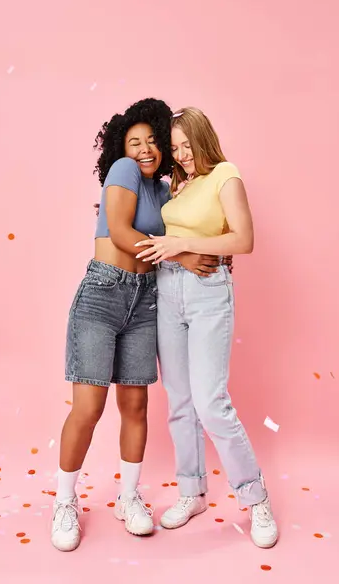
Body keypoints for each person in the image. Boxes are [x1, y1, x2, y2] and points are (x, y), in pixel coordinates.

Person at [51, 99, 223, 552]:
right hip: (104, 294)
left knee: (136, 406)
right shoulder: (124, 170)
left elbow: (180, 231)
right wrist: (185, 254)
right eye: (135, 141)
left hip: (146, 298)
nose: (145, 149)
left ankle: (129, 497)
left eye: (153, 141)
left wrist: (216, 256)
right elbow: (124, 233)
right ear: (121, 146)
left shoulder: (165, 192)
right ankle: (64, 502)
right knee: (88, 407)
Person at [135, 107, 279, 548]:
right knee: (179, 401)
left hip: (207, 291)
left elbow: (243, 239)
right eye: (174, 148)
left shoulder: (225, 175)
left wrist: (184, 243)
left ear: (203, 139)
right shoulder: (176, 186)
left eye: (187, 146)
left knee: (210, 400)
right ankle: (191, 491)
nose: (181, 155)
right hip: (167, 290)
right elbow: (161, 244)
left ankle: (255, 499)